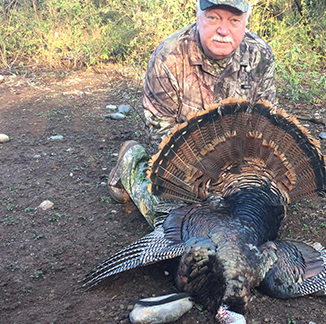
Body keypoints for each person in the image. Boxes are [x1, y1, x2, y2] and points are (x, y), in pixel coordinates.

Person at [108, 0, 278, 226]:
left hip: (239, 163)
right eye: (213, 17)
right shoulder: (168, 58)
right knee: (175, 222)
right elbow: (162, 134)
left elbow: (266, 124)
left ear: (246, 21)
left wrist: (244, 178)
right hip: (186, 164)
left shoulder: (260, 55)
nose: (223, 30)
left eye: (234, 20)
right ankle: (132, 161)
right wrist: (206, 185)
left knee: (265, 214)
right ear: (197, 15)